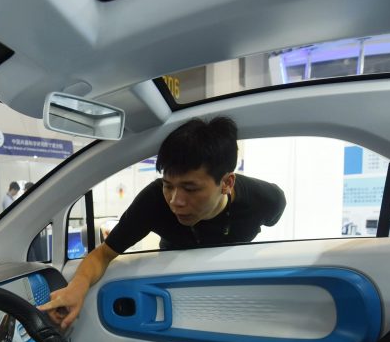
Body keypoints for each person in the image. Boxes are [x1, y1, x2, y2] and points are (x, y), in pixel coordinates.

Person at [40, 116, 286, 329]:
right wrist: (77, 288)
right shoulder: (154, 201)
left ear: (227, 183)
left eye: (190, 189)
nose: (175, 201)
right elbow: (103, 255)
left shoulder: (265, 200)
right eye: (169, 186)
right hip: (172, 292)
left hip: (232, 291)